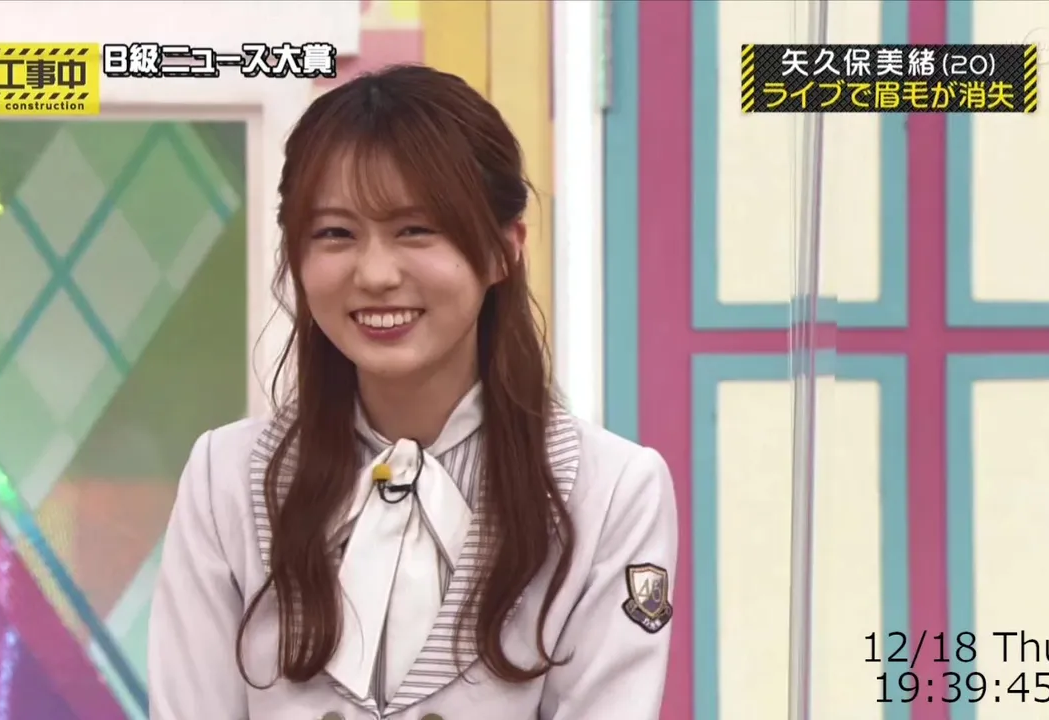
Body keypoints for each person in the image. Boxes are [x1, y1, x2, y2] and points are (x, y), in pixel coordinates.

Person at [148, 64, 679, 720]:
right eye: (335, 234)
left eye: (416, 230)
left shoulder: (611, 491)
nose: (375, 274)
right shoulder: (224, 480)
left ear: (504, 248)